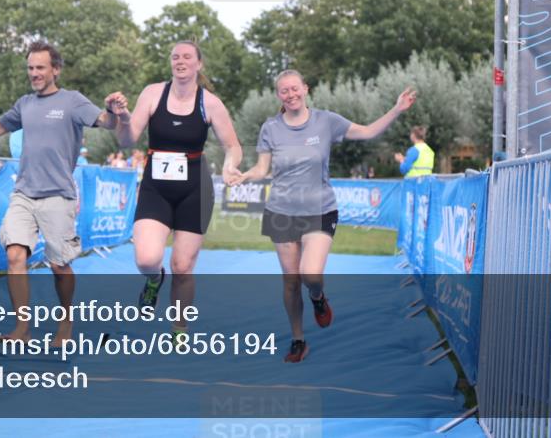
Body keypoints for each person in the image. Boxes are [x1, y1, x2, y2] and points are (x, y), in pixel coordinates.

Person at [0, 41, 125, 345]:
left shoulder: (73, 101)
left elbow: (107, 123)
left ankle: (65, 321)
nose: (34, 73)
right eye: (30, 68)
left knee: (59, 265)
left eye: (40, 67)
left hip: (58, 195)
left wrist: (112, 109)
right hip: (23, 194)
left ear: (55, 69)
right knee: (15, 255)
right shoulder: (25, 104)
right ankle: (22, 329)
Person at [235, 70, 416, 362]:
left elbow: (368, 131)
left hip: (320, 210)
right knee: (291, 281)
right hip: (281, 212)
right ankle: (298, 339)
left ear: (305, 89)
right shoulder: (270, 128)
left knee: (311, 274)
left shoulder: (326, 121)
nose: (290, 94)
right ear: (278, 95)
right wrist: (245, 176)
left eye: (295, 88)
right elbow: (262, 169)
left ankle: (318, 298)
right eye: (284, 91)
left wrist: (396, 109)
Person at [110, 40, 242, 338]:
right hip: (156, 187)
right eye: (175, 57)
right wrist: (122, 118)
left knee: (182, 266)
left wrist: (229, 165)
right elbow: (126, 140)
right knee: (146, 258)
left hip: (195, 191)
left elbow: (232, 146)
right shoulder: (153, 93)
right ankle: (154, 280)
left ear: (199, 64)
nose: (180, 61)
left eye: (186, 57)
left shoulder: (210, 103)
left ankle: (179, 328)